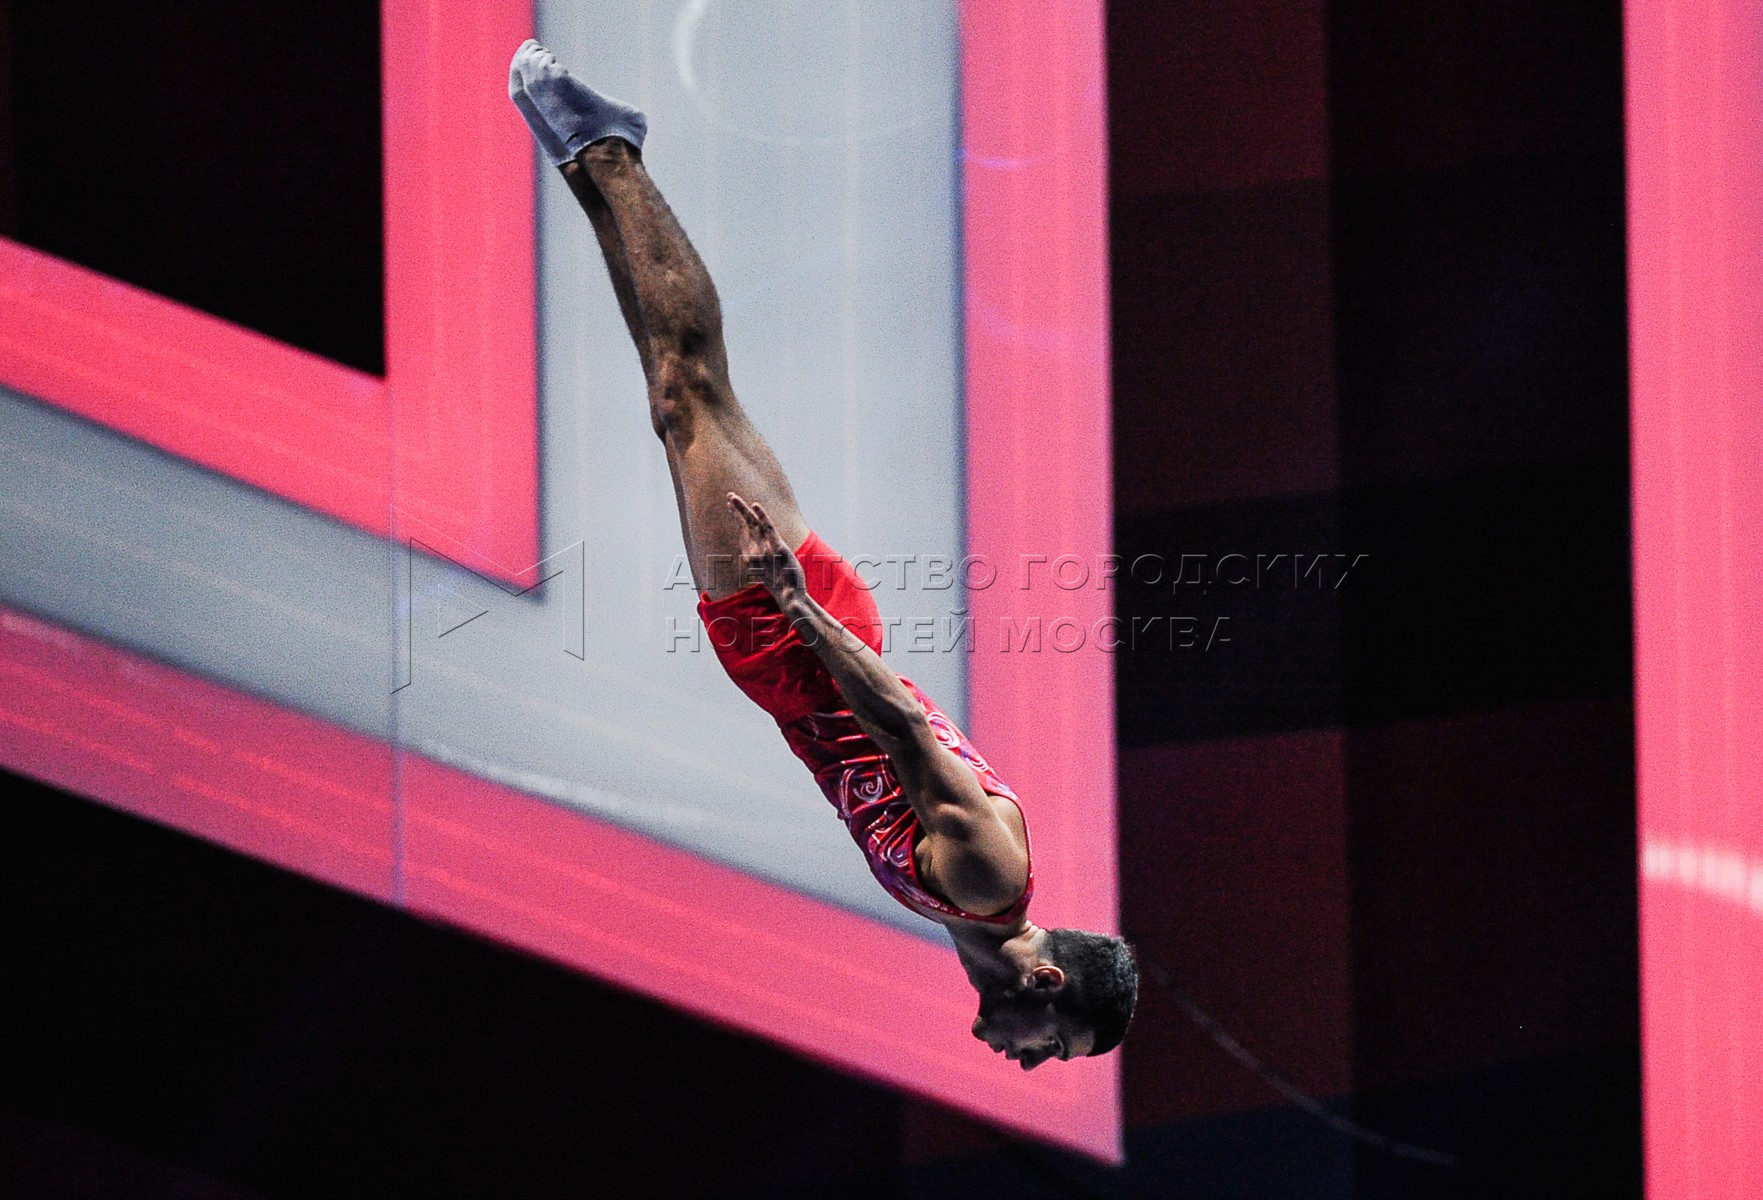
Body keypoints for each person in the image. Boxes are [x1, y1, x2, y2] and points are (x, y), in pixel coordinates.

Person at [509, 40, 1136, 1068]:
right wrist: (797, 606)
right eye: (1051, 1046)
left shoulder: (972, 929)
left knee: (676, 398)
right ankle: (611, 149)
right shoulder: (986, 882)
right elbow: (899, 724)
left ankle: (587, 160)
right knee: (688, 395)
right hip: (805, 644)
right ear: (1046, 982)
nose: (1025, 1059)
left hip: (797, 662)